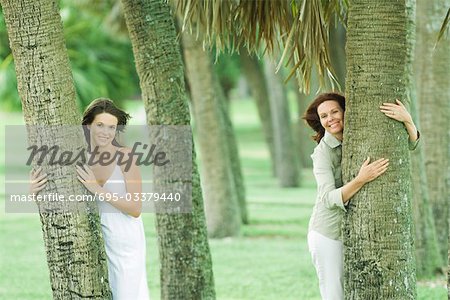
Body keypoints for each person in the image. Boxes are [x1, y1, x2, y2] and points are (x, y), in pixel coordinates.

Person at [302, 92, 419, 300]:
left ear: (346, 111)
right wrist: (360, 179)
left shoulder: (359, 137)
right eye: (324, 116)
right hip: (328, 234)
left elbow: (408, 146)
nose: (330, 119)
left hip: (354, 232)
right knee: (334, 295)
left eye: (335, 112)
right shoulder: (322, 153)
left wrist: (407, 120)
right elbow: (327, 199)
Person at [30, 98, 150, 300]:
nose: (106, 132)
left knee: (126, 294)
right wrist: (33, 192)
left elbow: (135, 208)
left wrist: (97, 189)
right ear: (88, 126)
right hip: (92, 236)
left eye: (111, 127)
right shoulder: (77, 158)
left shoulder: (125, 156)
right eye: (100, 125)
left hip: (124, 238)